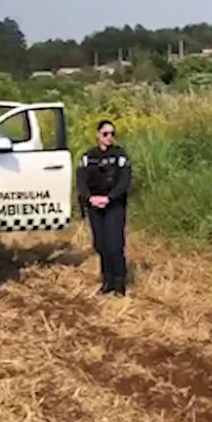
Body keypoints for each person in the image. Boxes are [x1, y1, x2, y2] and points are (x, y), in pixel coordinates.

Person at [75, 119, 132, 296]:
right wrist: (90, 198)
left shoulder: (120, 156)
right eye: (105, 134)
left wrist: (109, 198)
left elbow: (124, 182)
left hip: (113, 206)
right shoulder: (88, 157)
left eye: (112, 134)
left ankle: (119, 282)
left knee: (115, 244)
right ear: (98, 135)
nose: (109, 137)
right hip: (95, 206)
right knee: (101, 245)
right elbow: (81, 181)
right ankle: (107, 280)